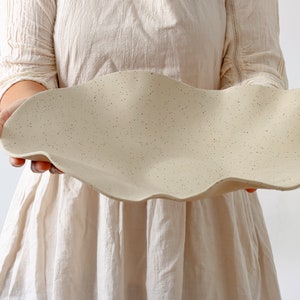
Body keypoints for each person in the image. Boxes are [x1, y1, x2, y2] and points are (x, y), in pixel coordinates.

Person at [0, 0, 287, 299]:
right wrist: (36, 117)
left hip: (204, 211)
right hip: (74, 218)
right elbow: (24, 69)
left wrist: (259, 131)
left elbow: (256, 67)